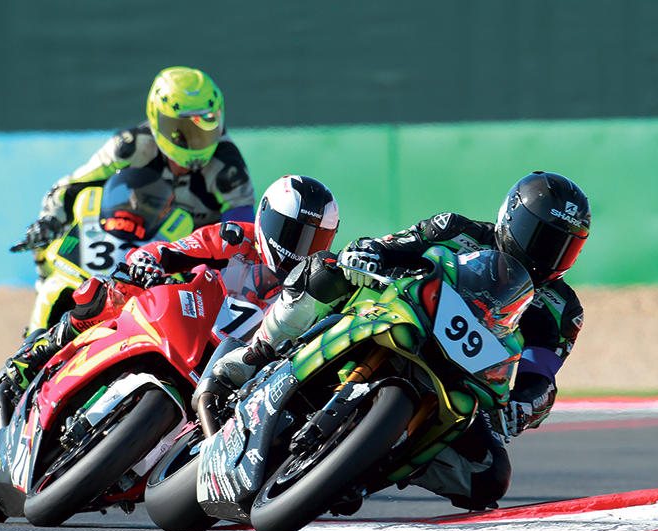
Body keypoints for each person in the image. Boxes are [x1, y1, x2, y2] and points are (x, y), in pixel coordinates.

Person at [211, 171, 591, 511]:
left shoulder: (562, 310)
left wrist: (525, 405)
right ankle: (255, 355)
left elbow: (540, 374)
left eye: (563, 245)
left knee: (489, 477)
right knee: (324, 270)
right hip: (396, 316)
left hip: (459, 376)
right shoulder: (457, 229)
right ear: (512, 218)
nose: (548, 254)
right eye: (541, 237)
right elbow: (390, 246)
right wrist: (368, 254)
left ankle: (367, 464)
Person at [0, 175, 339, 394]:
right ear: (266, 216)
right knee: (113, 291)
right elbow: (173, 250)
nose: (299, 249)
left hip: (233, 364)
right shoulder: (235, 237)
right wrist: (149, 262)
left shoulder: (308, 290)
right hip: (187, 319)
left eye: (314, 241)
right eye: (292, 233)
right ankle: (38, 353)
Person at [20, 66, 257, 283]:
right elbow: (73, 188)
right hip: (125, 247)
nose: (195, 140)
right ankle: (45, 293)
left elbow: (240, 234)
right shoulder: (131, 146)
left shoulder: (229, 168)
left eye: (206, 125)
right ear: (157, 119)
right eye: (182, 130)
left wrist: (209, 274)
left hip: (189, 265)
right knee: (47, 245)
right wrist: (49, 221)